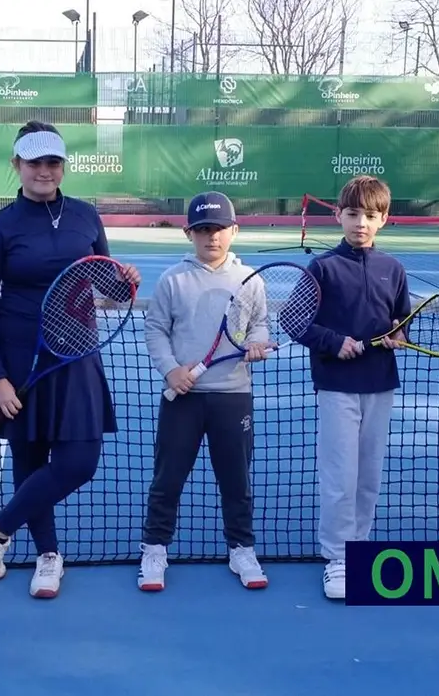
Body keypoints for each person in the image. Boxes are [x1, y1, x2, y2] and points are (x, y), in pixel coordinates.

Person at [0, 120, 141, 599]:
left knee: (79, 461)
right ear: (17, 165)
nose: (44, 170)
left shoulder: (86, 217)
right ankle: (48, 556)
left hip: (77, 353)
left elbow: (105, 282)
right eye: (34, 162)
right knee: (29, 458)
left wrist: (125, 281)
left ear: (63, 166)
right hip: (20, 360)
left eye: (53, 162)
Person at [138, 191, 271, 592]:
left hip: (233, 396)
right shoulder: (172, 280)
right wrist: (171, 370)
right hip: (185, 399)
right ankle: (155, 549)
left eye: (219, 229)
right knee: (168, 478)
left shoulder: (250, 281)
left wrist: (258, 343)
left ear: (234, 230)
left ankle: (242, 548)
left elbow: (260, 324)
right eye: (203, 230)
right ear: (189, 233)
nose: (211, 237)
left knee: (236, 479)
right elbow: (156, 329)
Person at [294, 175, 410, 600]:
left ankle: (358, 546)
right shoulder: (322, 267)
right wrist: (334, 342)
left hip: (380, 385)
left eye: (371, 216)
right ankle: (338, 555)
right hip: (336, 386)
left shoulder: (393, 270)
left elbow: (401, 322)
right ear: (339, 216)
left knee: (368, 474)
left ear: (384, 220)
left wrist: (399, 336)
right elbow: (296, 322)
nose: (361, 222)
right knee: (340, 473)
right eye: (353, 214)